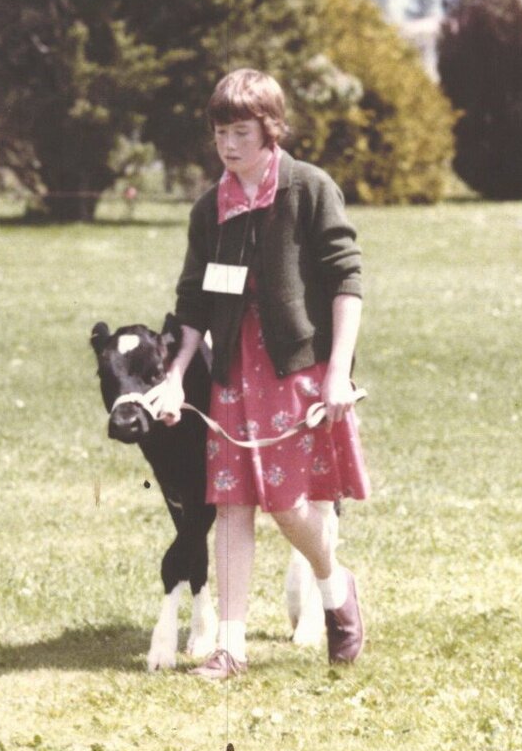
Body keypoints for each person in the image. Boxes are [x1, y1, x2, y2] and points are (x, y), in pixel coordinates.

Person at [147, 68, 370, 680]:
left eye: (241, 131)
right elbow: (192, 303)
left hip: (297, 370)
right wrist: (174, 377)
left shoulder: (308, 188)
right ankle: (232, 648)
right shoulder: (209, 210)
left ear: (270, 130)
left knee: (290, 507)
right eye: (221, 131)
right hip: (230, 378)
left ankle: (333, 582)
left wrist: (339, 373)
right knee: (233, 504)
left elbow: (348, 281)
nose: (229, 144)